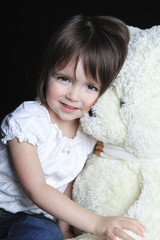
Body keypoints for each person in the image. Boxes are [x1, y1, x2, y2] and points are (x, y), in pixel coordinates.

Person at [0, 15, 145, 240]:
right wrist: (97, 223)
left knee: (46, 233)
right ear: (47, 72)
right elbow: (36, 188)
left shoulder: (87, 131)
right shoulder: (28, 121)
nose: (73, 95)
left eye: (90, 86)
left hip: (34, 218)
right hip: (3, 210)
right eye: (64, 79)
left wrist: (65, 228)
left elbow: (65, 180)